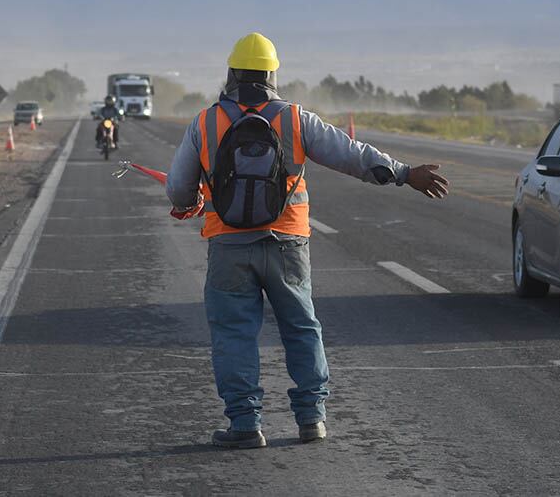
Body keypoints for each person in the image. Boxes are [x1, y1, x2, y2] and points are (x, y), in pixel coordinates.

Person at [166, 32, 449, 449]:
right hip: (288, 246)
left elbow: (177, 190)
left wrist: (193, 201)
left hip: (229, 247)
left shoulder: (206, 122)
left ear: (231, 74)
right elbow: (352, 155)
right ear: (272, 75)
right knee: (301, 328)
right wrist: (405, 173)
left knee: (233, 334)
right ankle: (311, 418)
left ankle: (245, 424)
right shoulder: (296, 119)